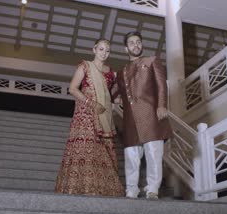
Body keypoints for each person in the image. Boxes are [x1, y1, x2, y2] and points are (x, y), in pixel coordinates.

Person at [55, 39, 124, 197]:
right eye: (101, 49)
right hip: (85, 114)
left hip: (103, 116)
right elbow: (72, 89)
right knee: (85, 149)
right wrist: (91, 103)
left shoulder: (110, 72)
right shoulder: (85, 66)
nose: (104, 53)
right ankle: (78, 186)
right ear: (94, 50)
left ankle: (101, 187)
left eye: (107, 50)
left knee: (102, 151)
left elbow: (110, 95)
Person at [112, 31, 173, 199]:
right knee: (131, 155)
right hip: (131, 119)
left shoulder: (152, 61)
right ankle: (131, 189)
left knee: (154, 153)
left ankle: (152, 188)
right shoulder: (122, 71)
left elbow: (162, 86)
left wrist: (161, 105)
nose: (136, 45)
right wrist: (116, 97)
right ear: (126, 49)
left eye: (138, 42)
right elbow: (113, 91)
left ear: (142, 44)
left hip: (151, 115)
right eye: (131, 43)